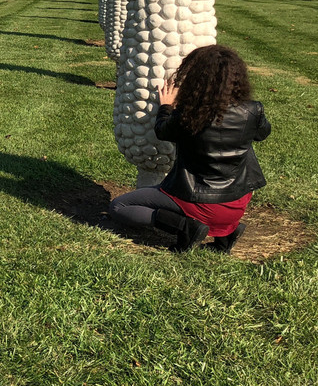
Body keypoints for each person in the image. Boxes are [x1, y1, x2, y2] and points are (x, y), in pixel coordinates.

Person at [109, 44, 271, 253]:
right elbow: (262, 134)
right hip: (237, 201)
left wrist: (166, 107)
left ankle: (186, 227)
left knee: (119, 206)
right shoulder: (253, 110)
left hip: (198, 200)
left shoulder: (190, 114)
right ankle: (227, 232)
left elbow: (163, 131)